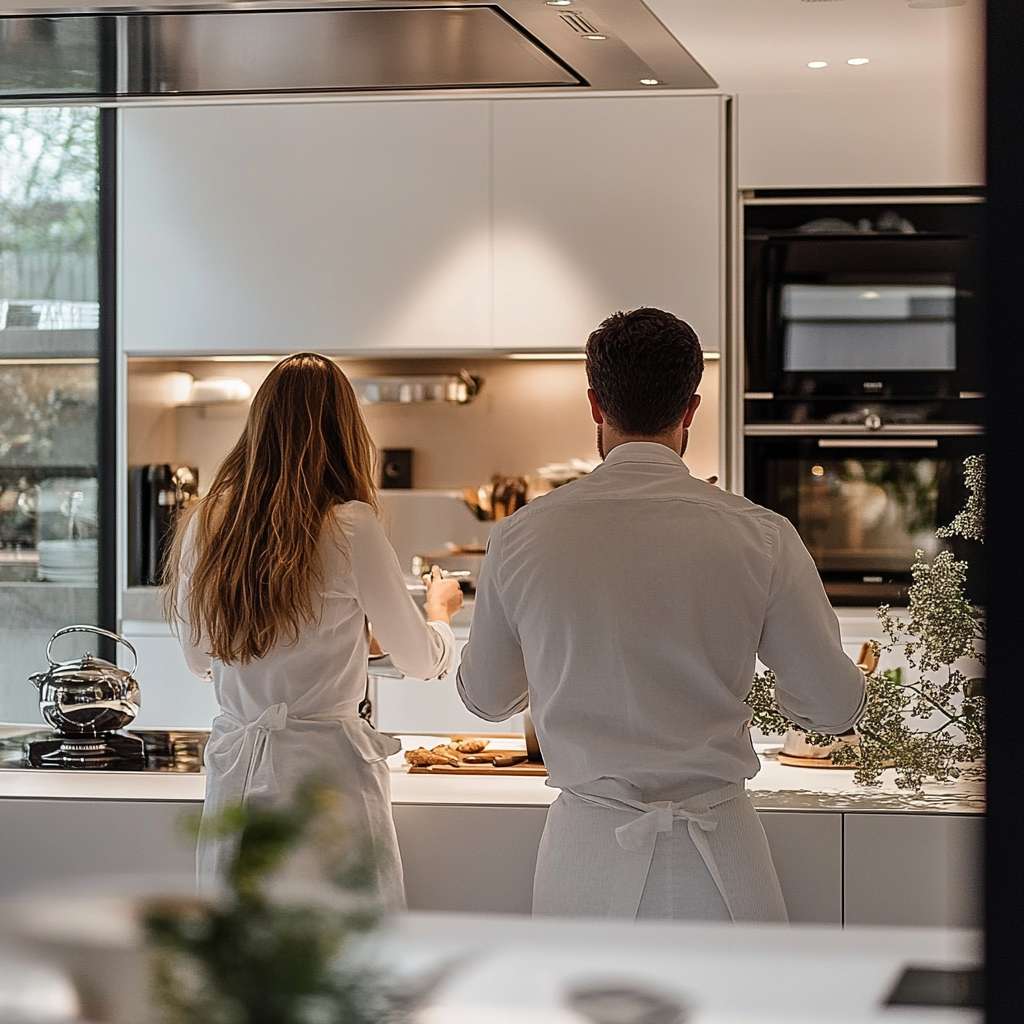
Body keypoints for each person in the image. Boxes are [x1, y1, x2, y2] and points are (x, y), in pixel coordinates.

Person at [456, 308, 866, 922]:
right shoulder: (761, 535)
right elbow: (832, 708)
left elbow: (488, 697)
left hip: (584, 865)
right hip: (721, 860)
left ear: (594, 405)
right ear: (691, 409)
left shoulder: (523, 536)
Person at [164, 352, 463, 907]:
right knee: (341, 954)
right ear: (345, 431)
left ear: (258, 427)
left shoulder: (208, 521)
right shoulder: (350, 525)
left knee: (247, 951)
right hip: (328, 776)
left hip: (237, 766)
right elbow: (421, 660)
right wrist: (441, 611)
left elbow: (199, 657)